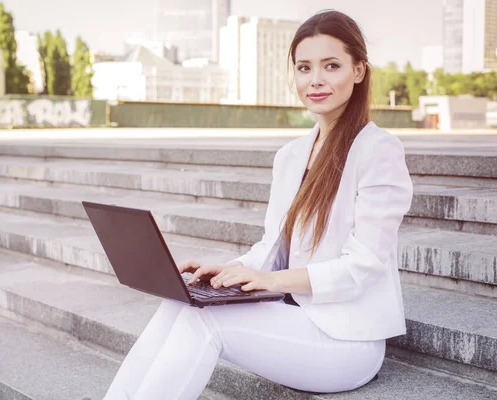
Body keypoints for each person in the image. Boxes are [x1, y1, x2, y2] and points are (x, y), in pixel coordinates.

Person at [104, 9, 414, 400]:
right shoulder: (291, 155)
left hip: (346, 341)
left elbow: (363, 265)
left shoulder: (378, 150)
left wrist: (273, 280)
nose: (315, 79)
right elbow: (274, 248)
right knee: (179, 303)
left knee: (204, 324)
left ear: (358, 71)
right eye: (304, 68)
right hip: (294, 320)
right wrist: (231, 268)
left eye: (331, 65)